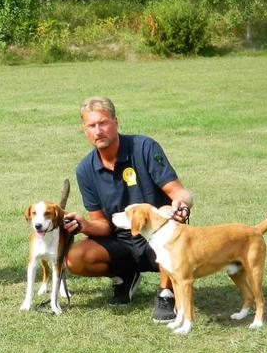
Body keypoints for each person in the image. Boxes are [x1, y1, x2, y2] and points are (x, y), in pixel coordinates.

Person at [63, 96, 193, 322]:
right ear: (84, 130)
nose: (98, 131)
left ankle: (166, 292)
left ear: (116, 122)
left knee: (172, 222)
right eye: (91, 126)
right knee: (74, 258)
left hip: (155, 236)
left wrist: (179, 205)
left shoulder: (144, 147)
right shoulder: (85, 169)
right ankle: (125, 276)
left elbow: (180, 193)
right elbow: (103, 225)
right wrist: (83, 224)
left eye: (103, 123)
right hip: (120, 241)